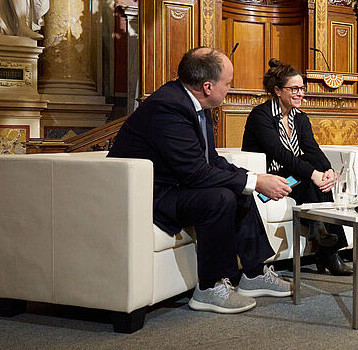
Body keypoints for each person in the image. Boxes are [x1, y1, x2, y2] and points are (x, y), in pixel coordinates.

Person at [108, 47, 293, 314]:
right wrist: (252, 181)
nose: (230, 88)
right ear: (207, 86)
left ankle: (253, 275)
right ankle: (208, 288)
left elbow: (211, 159)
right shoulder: (168, 106)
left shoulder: (197, 104)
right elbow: (195, 172)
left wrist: (253, 179)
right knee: (221, 196)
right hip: (150, 193)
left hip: (177, 184)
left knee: (239, 188)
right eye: (228, 83)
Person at [242, 59, 352, 276]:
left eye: (302, 88)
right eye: (294, 88)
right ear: (277, 90)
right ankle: (328, 250)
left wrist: (328, 170)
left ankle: (320, 233)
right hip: (268, 183)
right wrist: (314, 173)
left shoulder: (299, 118)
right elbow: (280, 154)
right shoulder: (261, 116)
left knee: (314, 178)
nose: (300, 93)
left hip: (292, 178)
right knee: (308, 176)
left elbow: (312, 149)